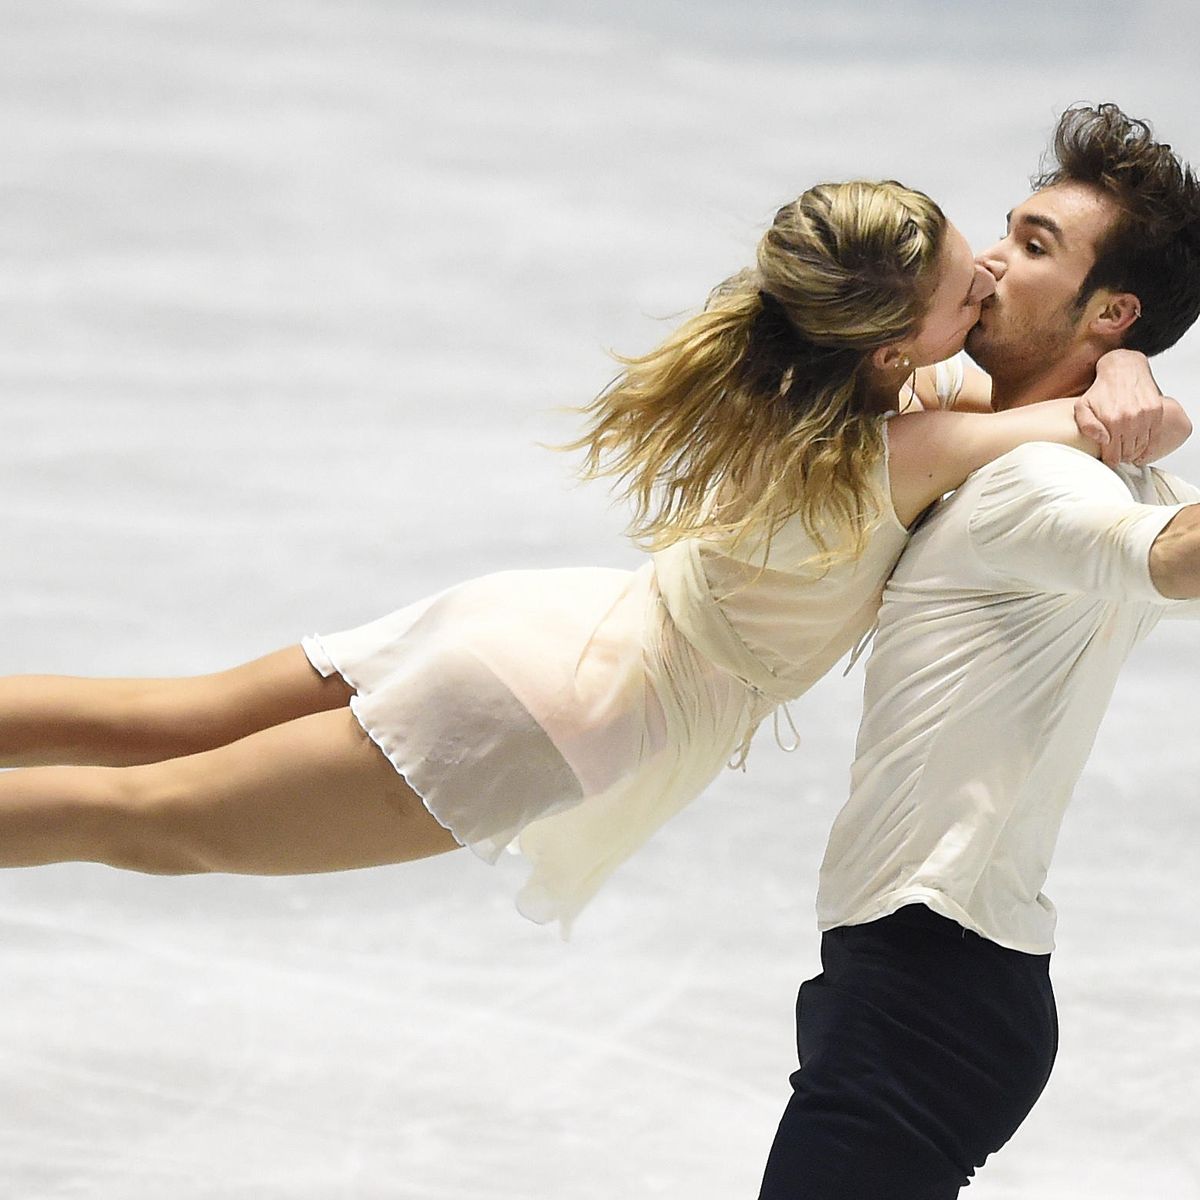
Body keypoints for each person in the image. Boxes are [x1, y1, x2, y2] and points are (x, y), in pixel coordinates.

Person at [0, 178, 1182, 938]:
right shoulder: (918, 437)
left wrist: (1120, 357)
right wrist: (1125, 367)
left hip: (540, 625)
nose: (984, 280)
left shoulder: (841, 388)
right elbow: (1090, 422)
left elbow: (1057, 406)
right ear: (887, 344)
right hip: (566, 699)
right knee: (156, 818)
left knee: (156, 722)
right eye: (966, 276)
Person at [757, 103, 1200, 1199]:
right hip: (938, 977)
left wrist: (1119, 371)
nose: (995, 260)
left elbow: (1171, 556)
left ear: (1113, 310)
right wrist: (1118, 370)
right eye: (1011, 227)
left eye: (1037, 246)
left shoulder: (1036, 484)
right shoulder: (1026, 444)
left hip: (926, 983)